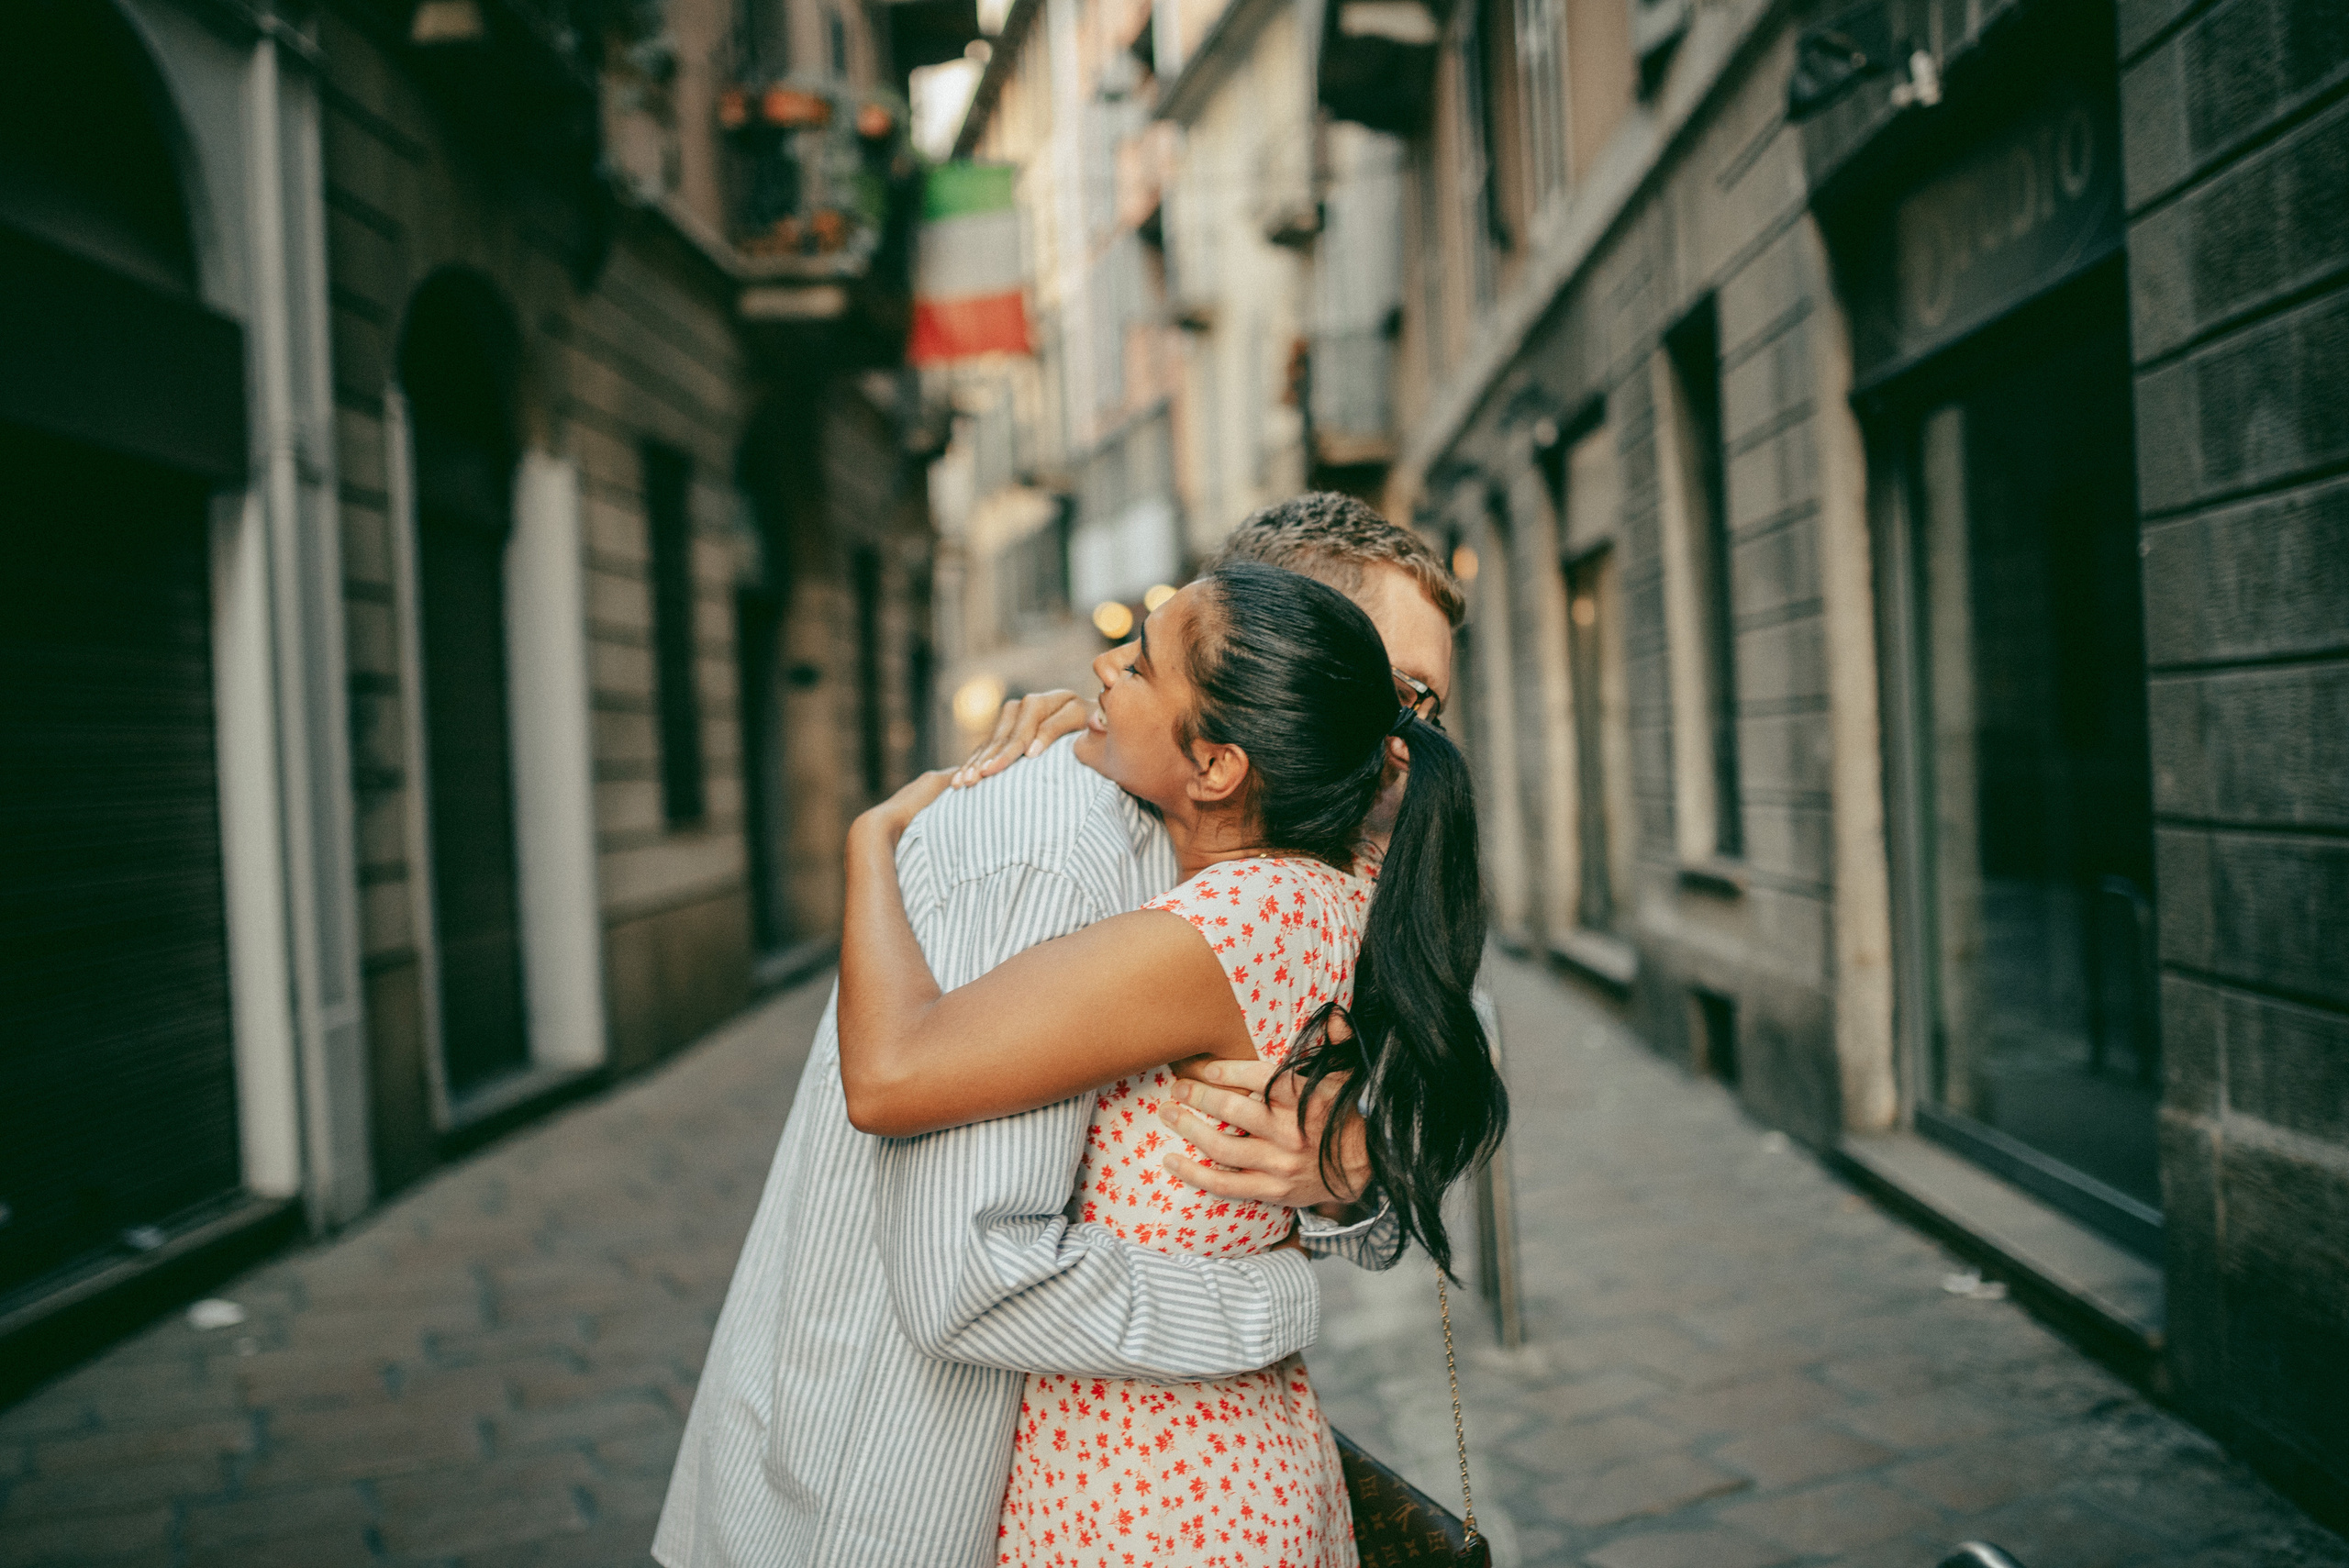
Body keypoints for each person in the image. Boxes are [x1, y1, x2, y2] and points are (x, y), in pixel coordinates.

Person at [655, 496, 1466, 1568]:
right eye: (1395, 691)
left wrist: (1354, 1157)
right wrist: (1272, 1297)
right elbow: (963, 1261)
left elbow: (1443, 1042)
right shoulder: (1065, 842)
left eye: (1428, 708)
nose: (1405, 740)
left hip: (1157, 1484)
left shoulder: (1323, 873)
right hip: (887, 1475)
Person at [837, 561, 1506, 1567]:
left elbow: (887, 1075)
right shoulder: (1342, 884)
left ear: (1219, 766)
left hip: (1153, 1494)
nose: (1107, 664)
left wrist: (872, 841)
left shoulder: (1216, 929)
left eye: (1143, 667)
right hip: (1235, 1464)